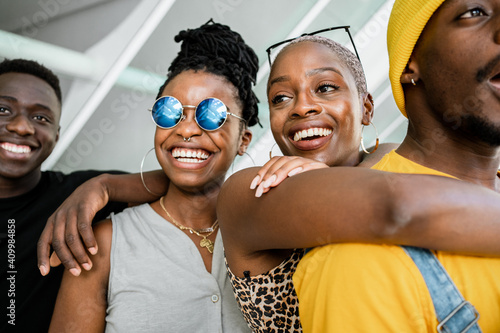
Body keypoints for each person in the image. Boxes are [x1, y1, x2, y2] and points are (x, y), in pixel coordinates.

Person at [46, 31, 500, 333]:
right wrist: (104, 184)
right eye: (282, 97)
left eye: (325, 88)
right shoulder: (257, 191)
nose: (302, 107)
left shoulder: (394, 165)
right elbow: (394, 208)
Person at [289, 0, 500, 331]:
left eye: (325, 88)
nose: (303, 108)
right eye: (474, 12)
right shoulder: (358, 260)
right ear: (410, 63)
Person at [48, 20, 258, 332]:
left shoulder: (268, 230)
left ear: (243, 139)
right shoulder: (104, 243)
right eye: (169, 111)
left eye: (212, 114)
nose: (186, 129)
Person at [0, 58, 139, 332]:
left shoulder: (75, 195)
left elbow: (174, 183)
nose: (21, 127)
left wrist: (102, 187)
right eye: (4, 109)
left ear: (57, 134)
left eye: (41, 117)